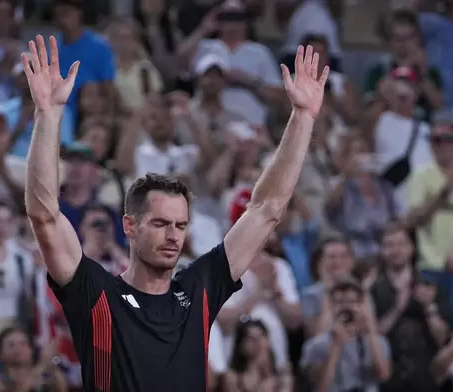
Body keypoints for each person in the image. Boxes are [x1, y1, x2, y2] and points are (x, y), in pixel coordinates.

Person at [21, 34, 328, 391]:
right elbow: (44, 214)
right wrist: (47, 113)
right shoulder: (96, 292)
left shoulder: (198, 289)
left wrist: (303, 117)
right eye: (161, 223)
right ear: (130, 227)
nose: (173, 235)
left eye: (181, 225)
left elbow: (266, 209)